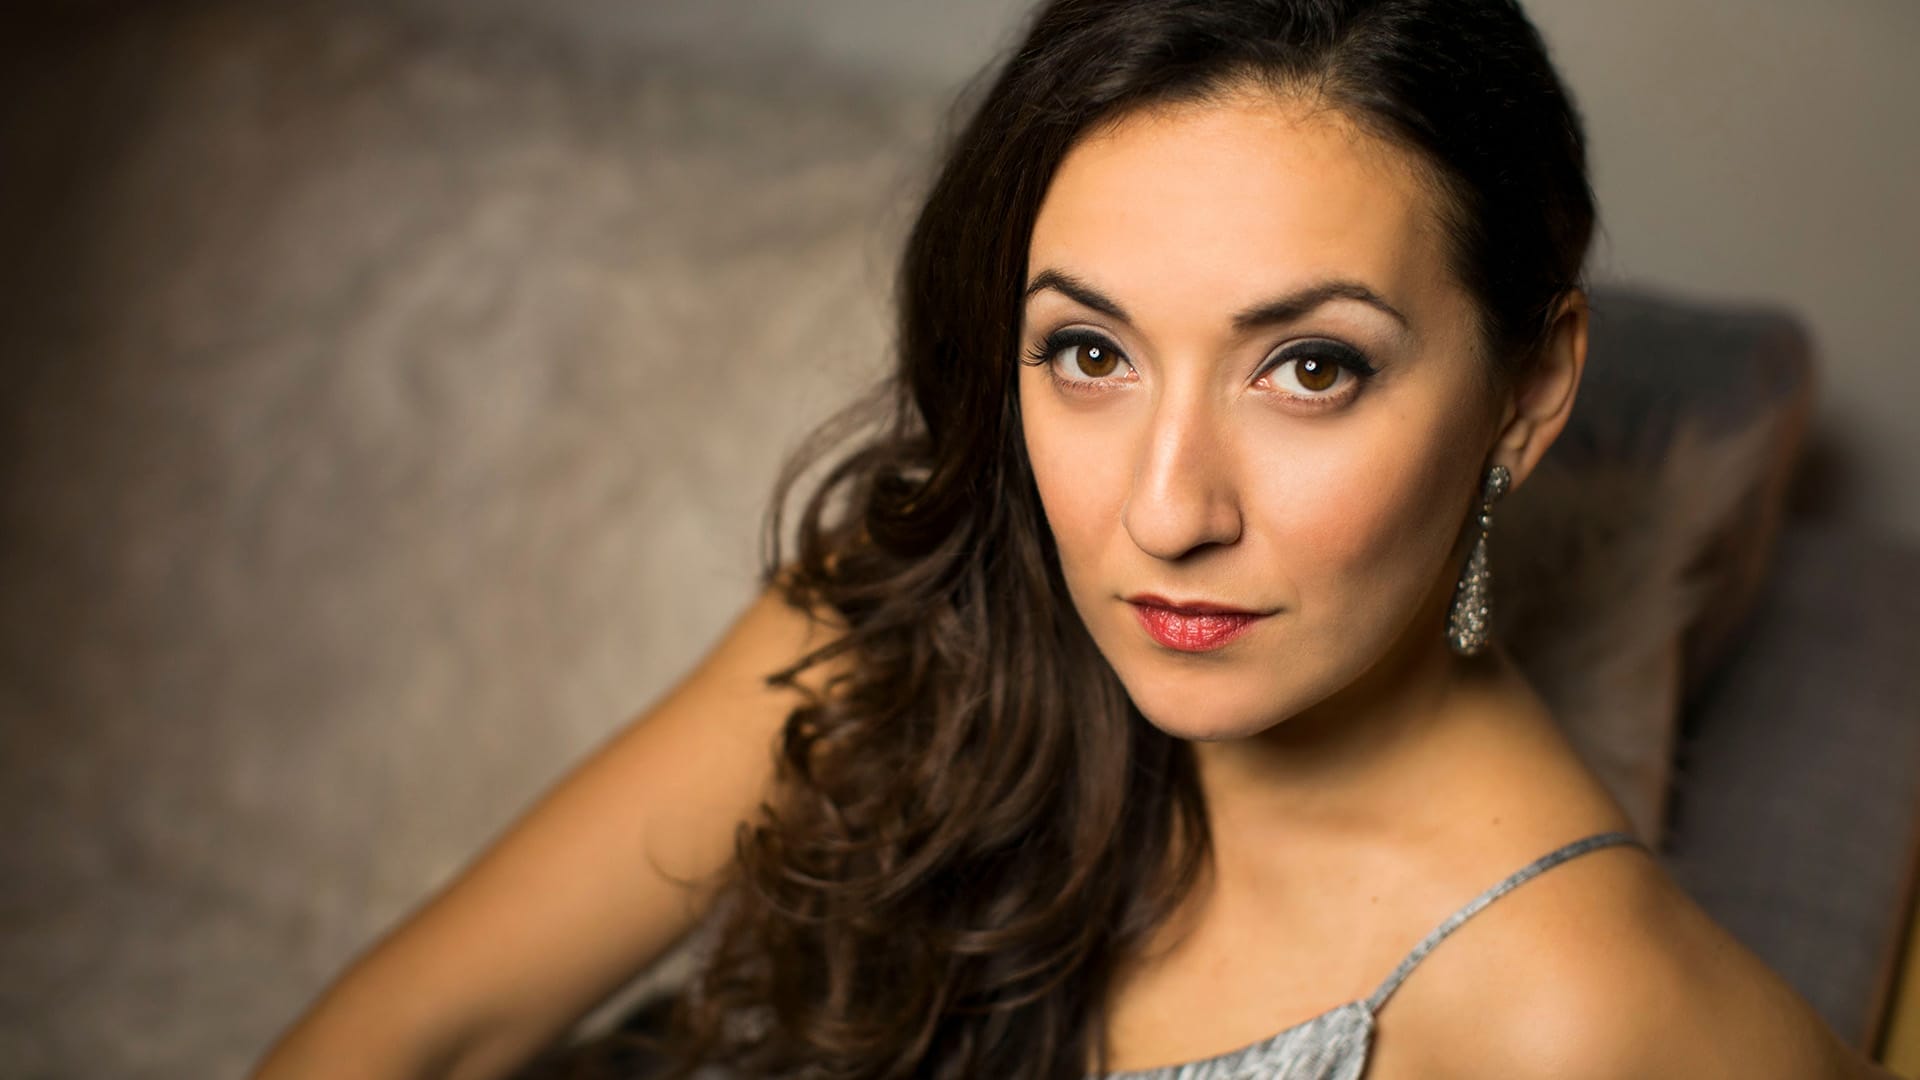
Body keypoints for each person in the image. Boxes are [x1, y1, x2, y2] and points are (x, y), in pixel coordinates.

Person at [250, 1, 1898, 1078]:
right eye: (1089, 353)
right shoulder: (924, 606)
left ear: (1530, 395)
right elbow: (422, 1040)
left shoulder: (1593, 1022)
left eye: (1308, 368)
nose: (1165, 512)